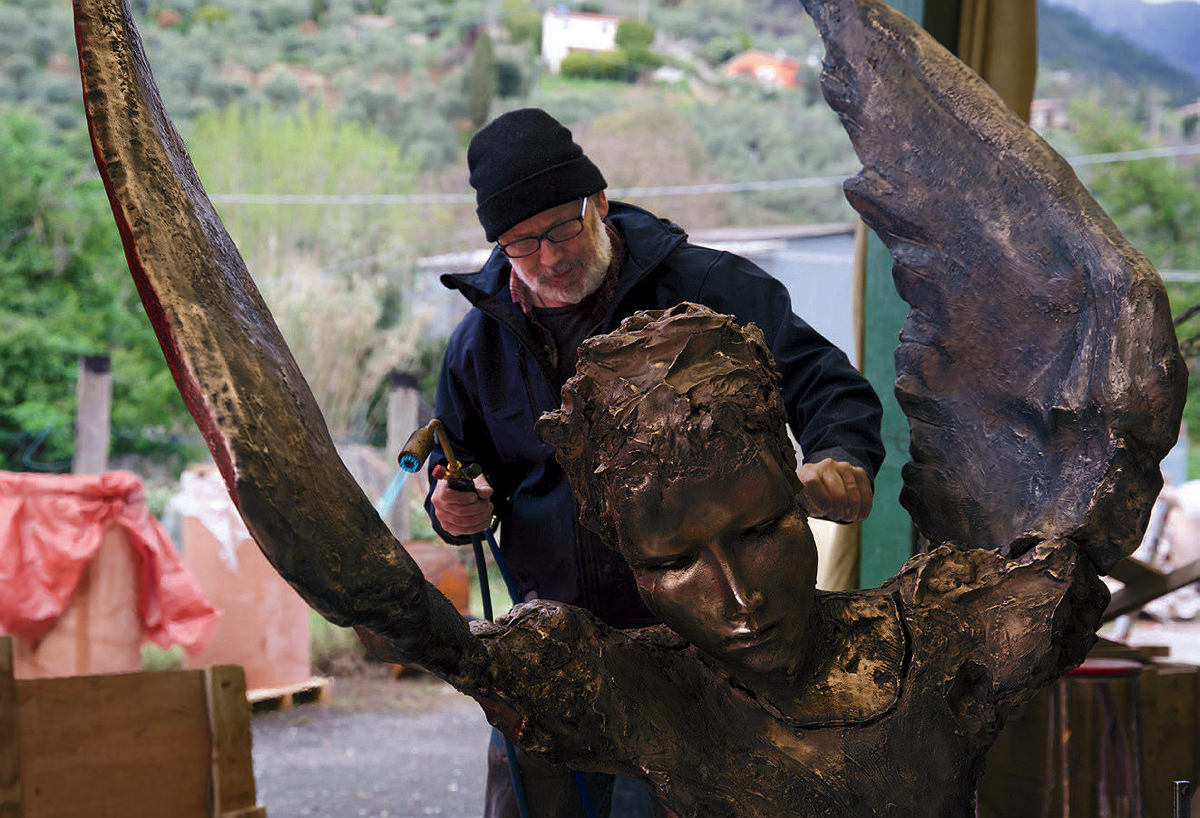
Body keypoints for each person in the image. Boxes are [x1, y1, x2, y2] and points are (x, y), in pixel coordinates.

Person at [423, 108, 886, 816]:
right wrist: (454, 506)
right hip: (557, 653)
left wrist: (841, 455)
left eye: (562, 228)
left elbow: (825, 381)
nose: (549, 258)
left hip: (697, 654)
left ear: (599, 202)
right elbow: (462, 468)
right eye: (522, 243)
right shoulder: (476, 347)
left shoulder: (711, 290)